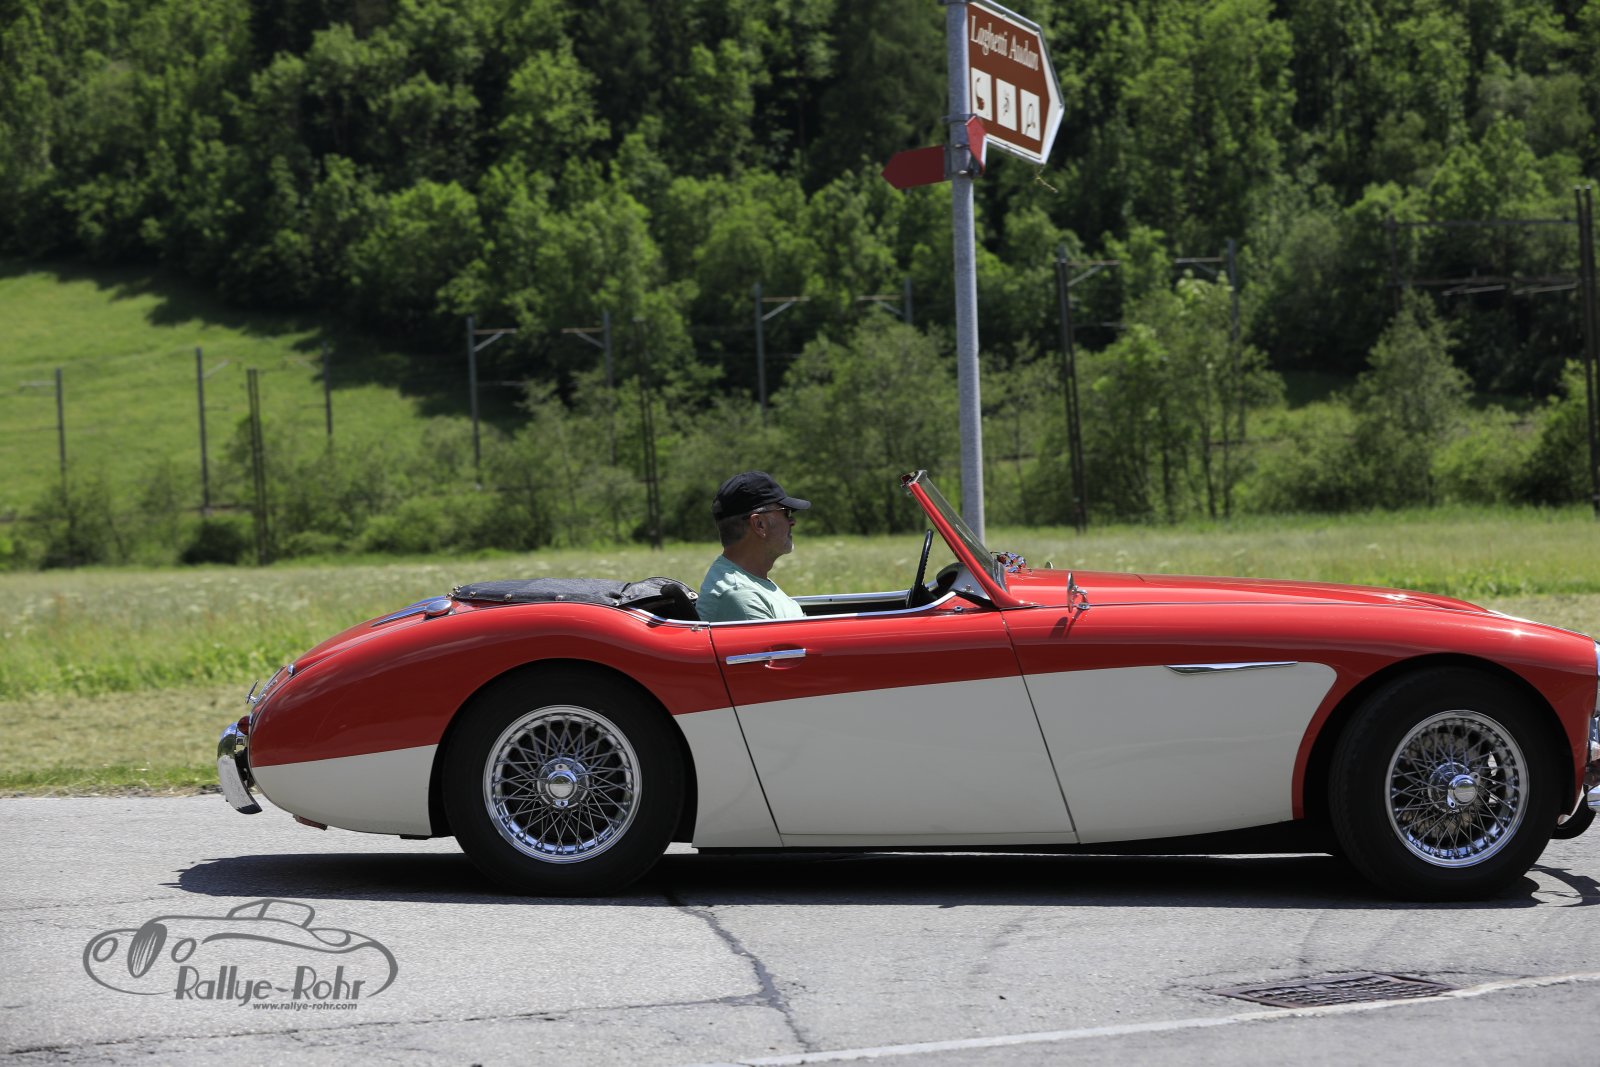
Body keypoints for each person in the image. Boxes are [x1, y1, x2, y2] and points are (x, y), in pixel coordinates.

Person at [697, 471, 810, 623]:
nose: (793, 521)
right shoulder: (740, 594)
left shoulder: (750, 581)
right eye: (786, 513)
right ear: (759, 524)